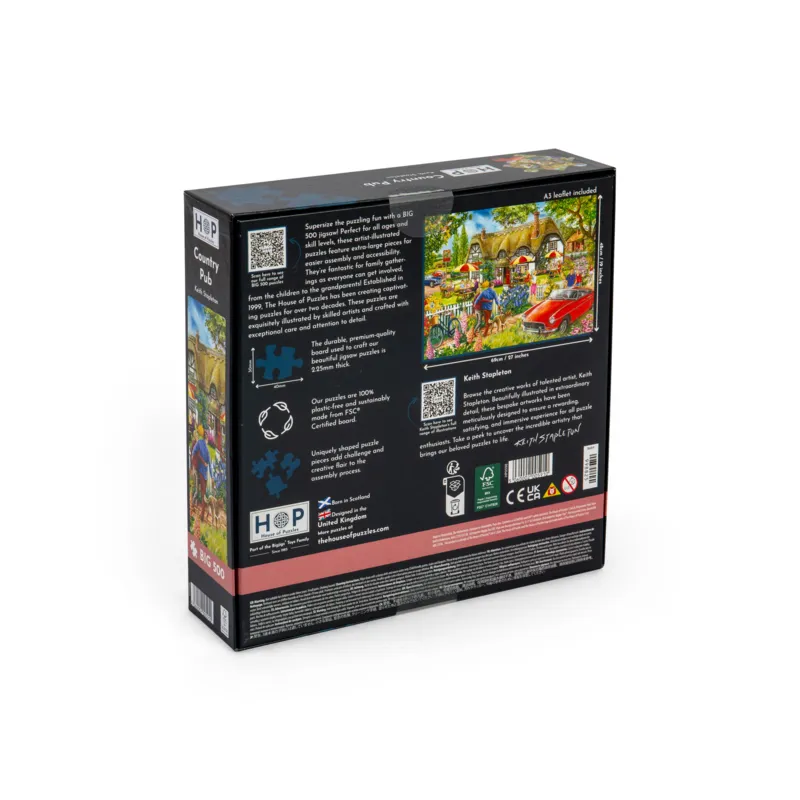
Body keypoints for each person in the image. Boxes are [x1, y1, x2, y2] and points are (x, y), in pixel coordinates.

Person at [191, 424, 211, 521]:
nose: (207, 436)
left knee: (204, 493)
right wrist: (196, 465)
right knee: (202, 492)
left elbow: (210, 463)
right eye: (205, 434)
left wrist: (212, 475)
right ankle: (201, 514)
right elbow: (194, 452)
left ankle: (203, 513)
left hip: (206, 473)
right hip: (200, 471)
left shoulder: (207, 448)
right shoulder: (200, 442)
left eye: (207, 435)